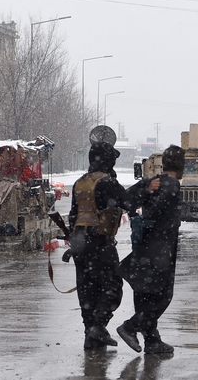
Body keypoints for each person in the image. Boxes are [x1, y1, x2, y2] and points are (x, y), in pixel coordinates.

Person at [117, 145, 185, 355]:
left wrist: (145, 190)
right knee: (163, 295)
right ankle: (130, 327)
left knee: (144, 293)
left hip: (144, 246)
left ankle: (152, 340)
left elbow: (125, 199)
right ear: (181, 165)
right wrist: (150, 219)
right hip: (161, 248)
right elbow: (157, 211)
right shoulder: (172, 184)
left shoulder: (153, 182)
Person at [68, 141, 127, 350]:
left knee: (87, 291)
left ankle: (90, 335)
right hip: (100, 242)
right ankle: (98, 327)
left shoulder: (80, 182)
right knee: (112, 287)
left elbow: (73, 216)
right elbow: (128, 201)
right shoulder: (107, 183)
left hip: (80, 244)